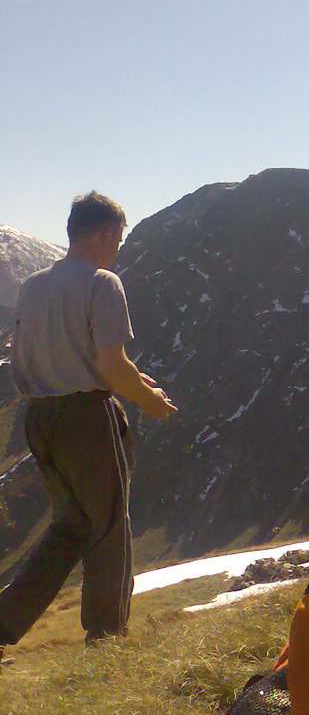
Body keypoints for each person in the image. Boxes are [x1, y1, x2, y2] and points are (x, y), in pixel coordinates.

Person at [0, 192, 176, 657]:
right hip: (86, 420)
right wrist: (148, 398)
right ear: (104, 233)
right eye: (117, 237)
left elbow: (61, 352)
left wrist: (126, 375)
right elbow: (110, 364)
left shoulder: (34, 285)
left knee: (70, 526)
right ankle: (107, 639)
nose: (117, 246)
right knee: (110, 526)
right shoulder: (103, 283)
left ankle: (3, 623)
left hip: (39, 418)